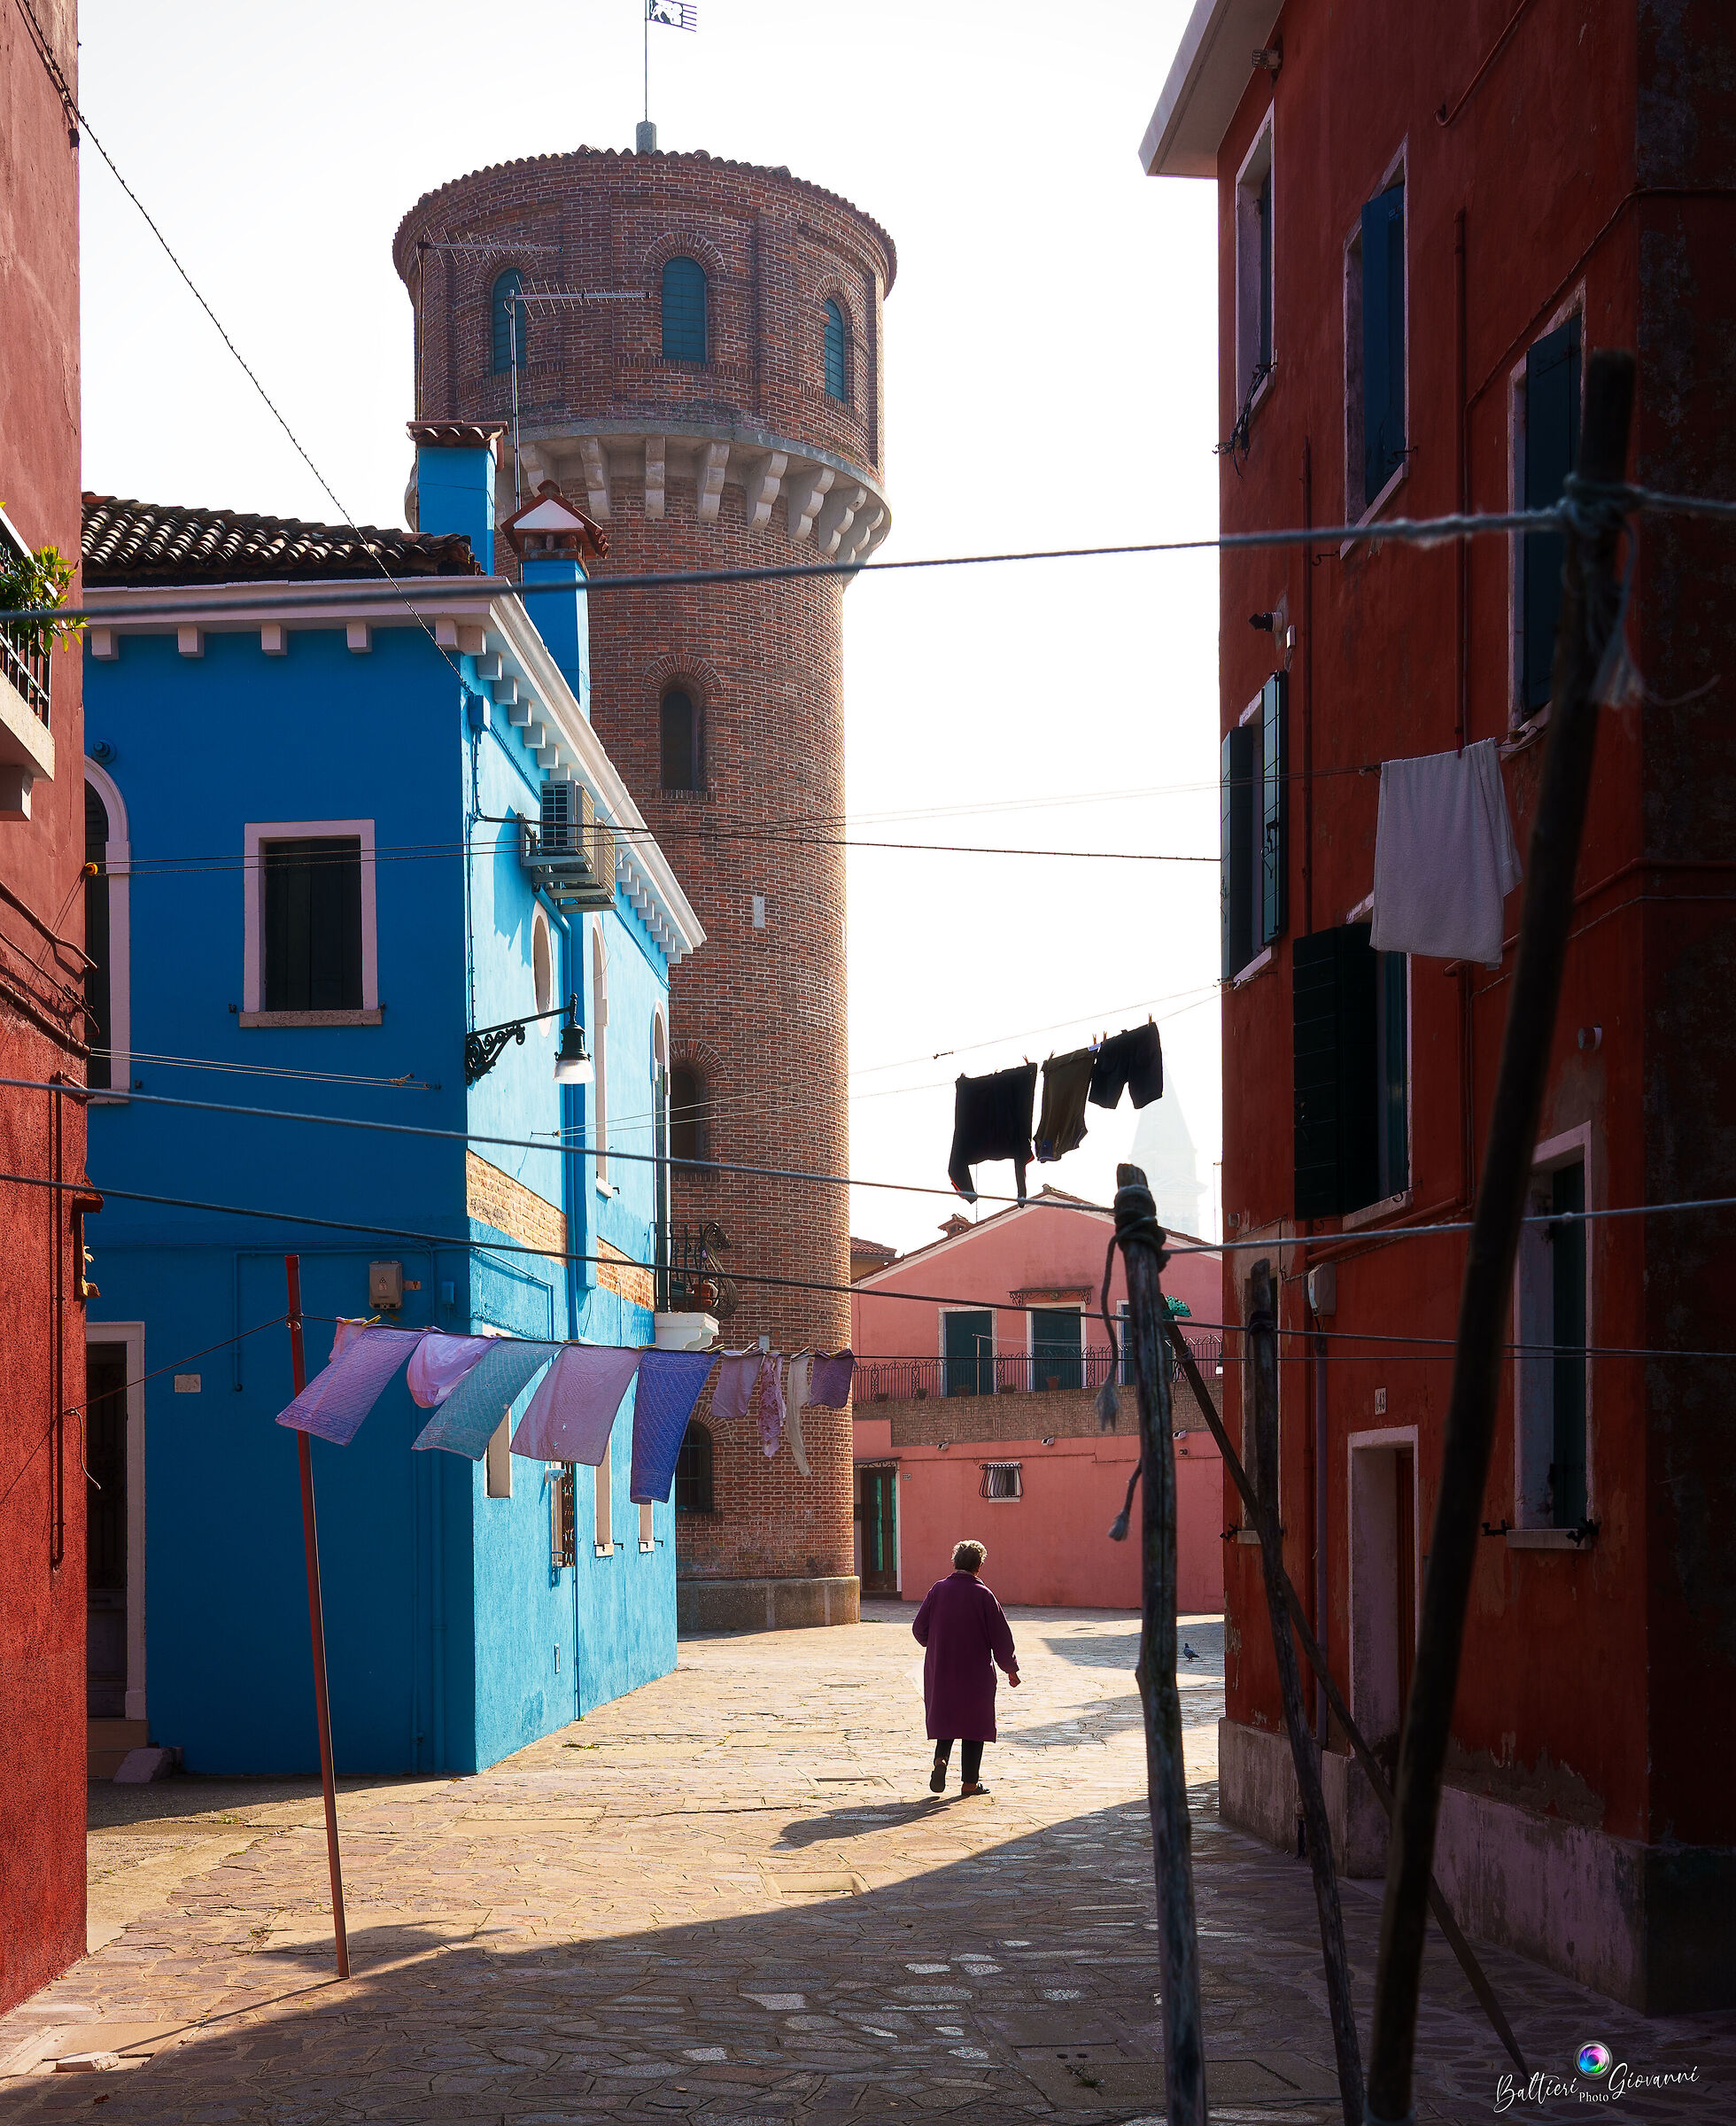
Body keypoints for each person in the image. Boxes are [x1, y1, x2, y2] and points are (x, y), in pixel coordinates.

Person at [911, 1539, 1019, 1796]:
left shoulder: (938, 1590)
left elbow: (918, 1629)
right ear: (979, 1566)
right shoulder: (984, 1595)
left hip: (942, 1667)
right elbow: (1001, 1637)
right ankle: (970, 1783)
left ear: (955, 1562)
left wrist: (935, 1643)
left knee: (947, 1717)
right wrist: (1010, 1669)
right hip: (975, 1672)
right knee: (974, 1723)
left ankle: (941, 1760)